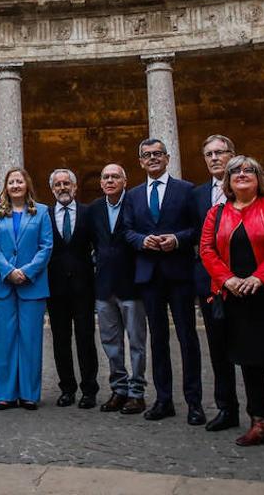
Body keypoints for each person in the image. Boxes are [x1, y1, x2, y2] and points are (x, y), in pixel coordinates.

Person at [199, 154, 264, 456]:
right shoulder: (216, 213)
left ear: (259, 178)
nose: (242, 174)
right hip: (236, 297)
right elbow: (206, 249)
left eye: (249, 170)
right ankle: (260, 422)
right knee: (249, 362)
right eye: (236, 172)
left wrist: (259, 277)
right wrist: (228, 279)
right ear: (228, 182)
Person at [124, 137, 203, 425]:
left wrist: (177, 239)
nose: (153, 158)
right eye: (147, 155)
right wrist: (144, 240)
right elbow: (127, 232)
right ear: (141, 162)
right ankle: (163, 399)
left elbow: (197, 228)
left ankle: (194, 402)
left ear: (168, 158)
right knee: (157, 339)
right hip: (149, 275)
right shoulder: (132, 195)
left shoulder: (186, 190)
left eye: (158, 154)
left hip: (179, 272)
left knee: (187, 338)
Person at [0, 167, 53, 411]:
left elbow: (46, 246)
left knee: (31, 339)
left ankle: (29, 394)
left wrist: (26, 271)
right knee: (4, 340)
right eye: (11, 182)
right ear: (5, 186)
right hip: (3, 283)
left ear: (27, 185)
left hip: (32, 284)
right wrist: (8, 271)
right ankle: (5, 394)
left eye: (19, 181)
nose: (15, 185)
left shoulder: (42, 212)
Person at [83, 163, 147, 414]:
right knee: (110, 342)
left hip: (131, 284)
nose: (110, 181)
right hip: (104, 286)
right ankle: (119, 389)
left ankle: (137, 392)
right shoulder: (95, 209)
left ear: (125, 180)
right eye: (105, 177)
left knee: (137, 342)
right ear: (100, 183)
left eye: (115, 177)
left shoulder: (135, 204)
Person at [189, 134, 239, 432]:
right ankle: (226, 407)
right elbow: (195, 237)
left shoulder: (249, 188)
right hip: (210, 282)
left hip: (246, 280)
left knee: (253, 347)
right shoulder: (196, 195)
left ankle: (261, 414)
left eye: (220, 152)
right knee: (218, 347)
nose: (214, 158)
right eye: (209, 154)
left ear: (232, 154)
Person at [46, 168, 99, 408]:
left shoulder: (89, 213)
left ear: (75, 187)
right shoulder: (43, 215)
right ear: (52, 189)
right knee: (60, 339)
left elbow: (98, 246)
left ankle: (89, 389)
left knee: (86, 338)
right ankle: (67, 388)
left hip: (84, 286)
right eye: (58, 185)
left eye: (67, 183)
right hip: (55, 287)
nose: (62, 188)